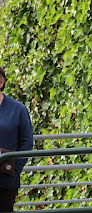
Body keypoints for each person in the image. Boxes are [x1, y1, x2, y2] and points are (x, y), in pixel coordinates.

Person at [0, 67, 34, 212]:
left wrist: (15, 168)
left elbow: (27, 141)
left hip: (6, 181)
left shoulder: (18, 109)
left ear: (1, 82)